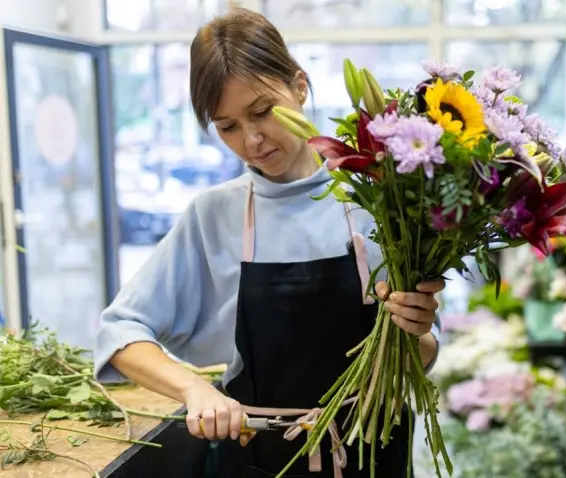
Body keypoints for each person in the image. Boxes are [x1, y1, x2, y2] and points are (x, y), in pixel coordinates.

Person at [93, 8, 443, 477]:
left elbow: (423, 354)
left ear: (299, 86)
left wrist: (418, 332)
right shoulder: (215, 214)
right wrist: (197, 392)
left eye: (261, 111)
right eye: (228, 126)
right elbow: (120, 334)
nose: (252, 139)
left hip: (372, 450)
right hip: (260, 456)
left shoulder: (380, 197)